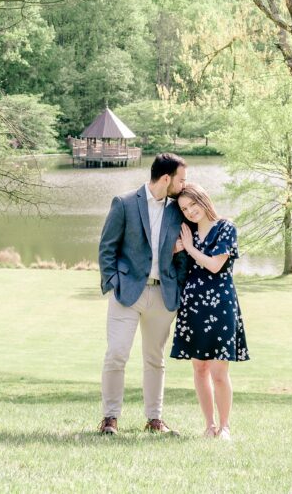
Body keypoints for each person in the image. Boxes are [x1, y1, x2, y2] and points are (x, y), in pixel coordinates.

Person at [97, 153, 189, 436]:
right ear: (166, 178)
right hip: (128, 294)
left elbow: (183, 253)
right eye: (181, 179)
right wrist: (113, 282)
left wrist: (180, 285)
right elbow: (107, 247)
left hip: (163, 296)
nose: (184, 185)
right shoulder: (124, 203)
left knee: (155, 359)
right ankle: (110, 418)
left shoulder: (178, 209)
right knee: (116, 353)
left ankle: (154, 419)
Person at [170, 182, 249, 440]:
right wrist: (177, 248)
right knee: (199, 369)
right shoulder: (186, 232)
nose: (190, 211)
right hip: (193, 305)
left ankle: (225, 426)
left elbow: (215, 266)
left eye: (193, 204)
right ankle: (209, 425)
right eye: (184, 208)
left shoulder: (226, 227)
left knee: (218, 371)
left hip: (221, 304)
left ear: (203, 200)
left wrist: (191, 249)